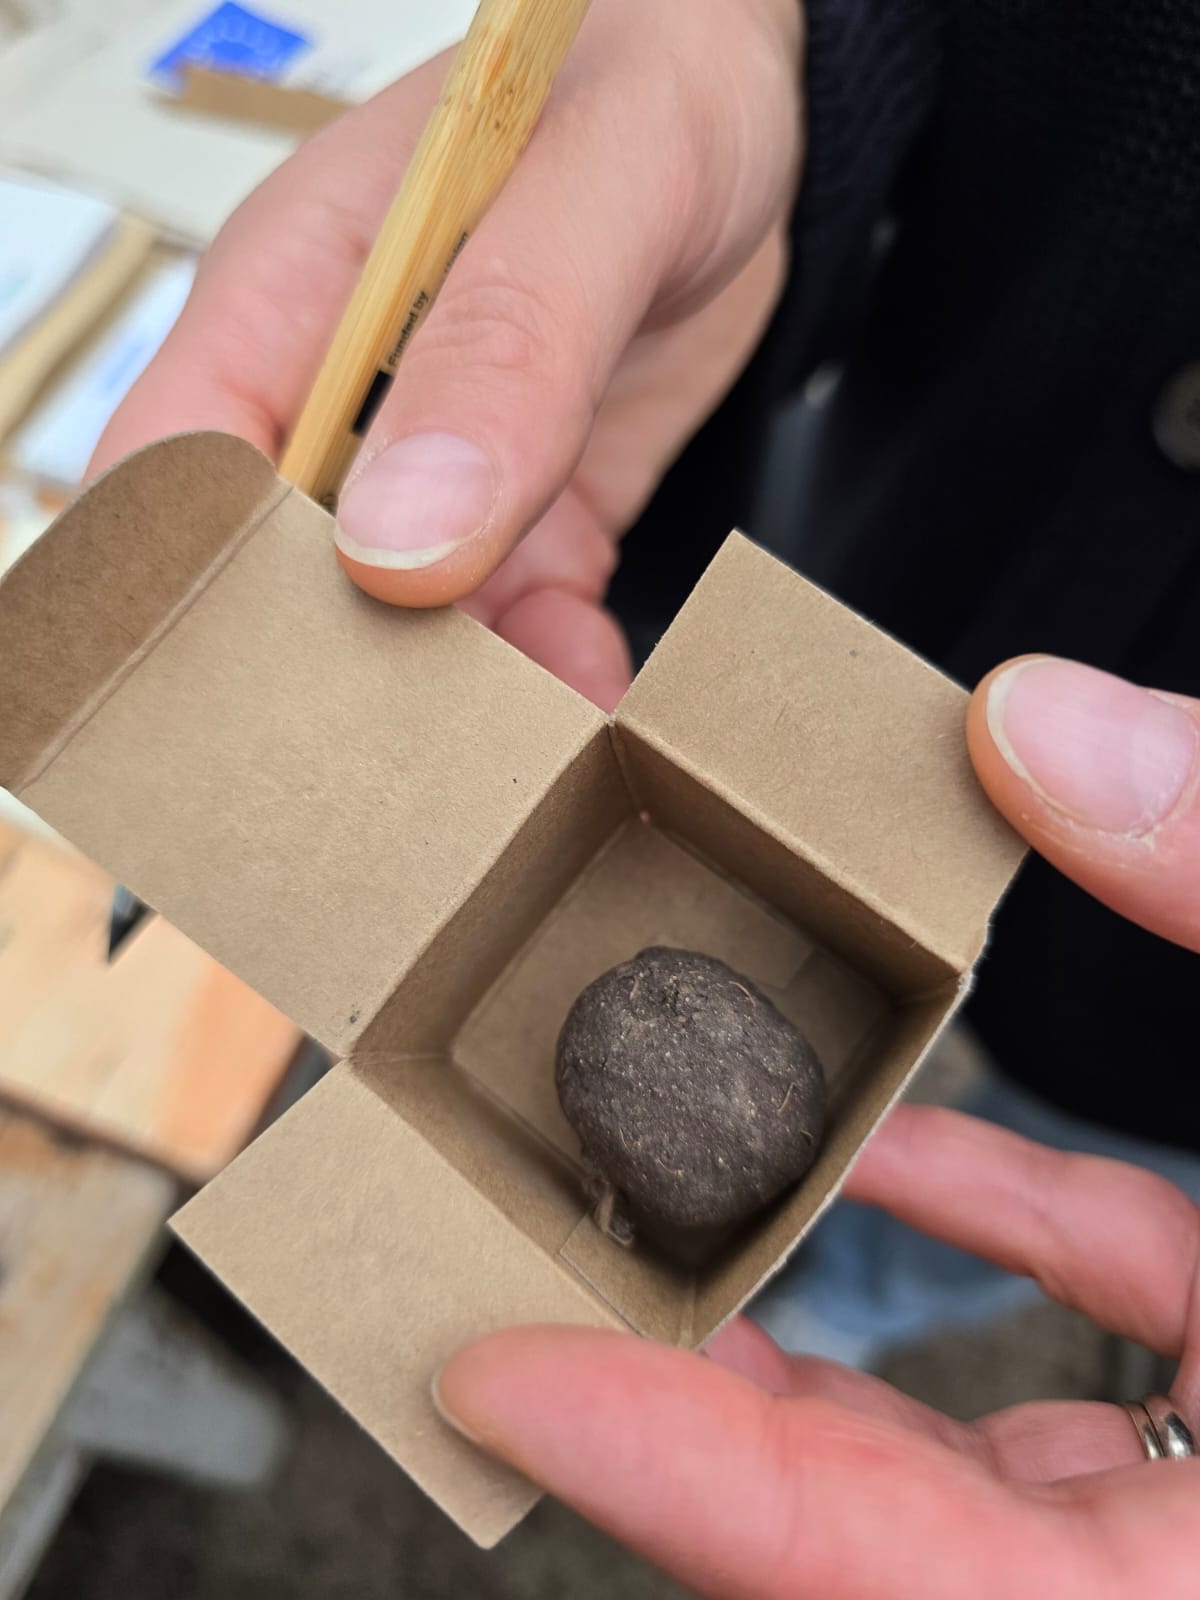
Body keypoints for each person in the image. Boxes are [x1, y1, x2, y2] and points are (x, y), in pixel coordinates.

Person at [87, 1, 1199, 1589]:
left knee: (1053, 1183)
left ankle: (847, 1300)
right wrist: (756, 44)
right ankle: (825, 1279)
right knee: (970, 1173)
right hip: (910, 609)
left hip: (1170, 1036)